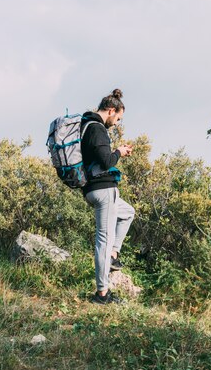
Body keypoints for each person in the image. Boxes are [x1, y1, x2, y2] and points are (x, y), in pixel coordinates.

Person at [81, 88, 135, 305]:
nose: (117, 123)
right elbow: (106, 161)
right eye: (118, 118)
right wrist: (119, 152)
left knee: (128, 213)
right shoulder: (97, 129)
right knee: (103, 239)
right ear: (111, 111)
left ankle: (113, 256)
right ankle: (102, 294)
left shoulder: (86, 127)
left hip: (94, 189)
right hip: (103, 190)